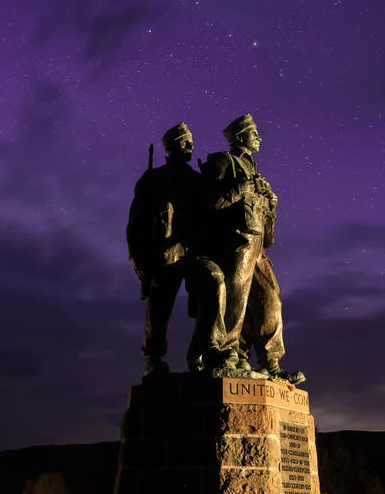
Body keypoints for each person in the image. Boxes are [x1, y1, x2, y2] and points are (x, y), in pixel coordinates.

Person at [199, 114, 304, 384]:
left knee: (270, 296)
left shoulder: (256, 170)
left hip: (257, 245)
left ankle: (272, 362)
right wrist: (242, 188)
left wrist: (271, 203)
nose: (259, 138)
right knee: (235, 295)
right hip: (235, 241)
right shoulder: (222, 161)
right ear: (240, 136)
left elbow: (268, 232)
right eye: (254, 133)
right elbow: (208, 202)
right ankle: (227, 352)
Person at [125, 123, 208, 377]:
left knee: (210, 298)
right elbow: (136, 224)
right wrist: (139, 260)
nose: (191, 147)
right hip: (165, 253)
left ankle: (199, 355)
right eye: (185, 142)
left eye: (191, 142)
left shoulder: (199, 180)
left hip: (194, 251)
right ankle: (153, 357)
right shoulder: (153, 179)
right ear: (171, 148)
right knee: (159, 307)